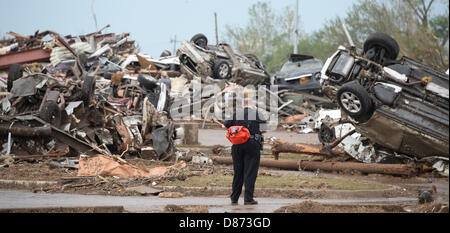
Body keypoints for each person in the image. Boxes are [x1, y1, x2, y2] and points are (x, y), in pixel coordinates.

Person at [223, 97, 267, 205]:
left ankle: (234, 197)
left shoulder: (236, 113)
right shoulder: (258, 114)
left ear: (243, 105)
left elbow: (225, 126)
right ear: (253, 104)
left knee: (238, 172)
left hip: (237, 145)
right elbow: (264, 129)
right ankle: (248, 198)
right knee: (250, 172)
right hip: (252, 144)